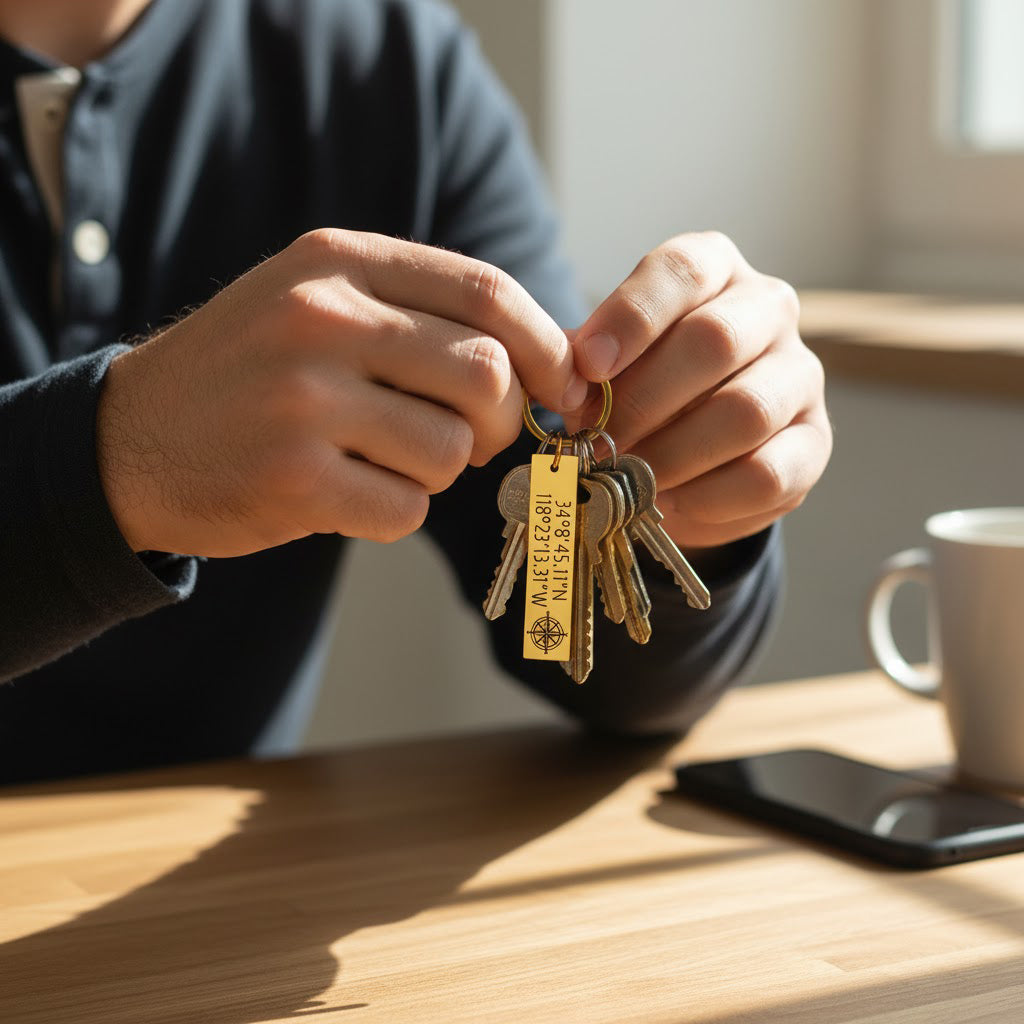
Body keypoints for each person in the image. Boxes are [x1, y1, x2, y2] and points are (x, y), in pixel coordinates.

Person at [0, 0, 832, 784]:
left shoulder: (389, 64)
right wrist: (115, 457)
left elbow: (605, 666)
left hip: (237, 908)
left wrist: (690, 505)